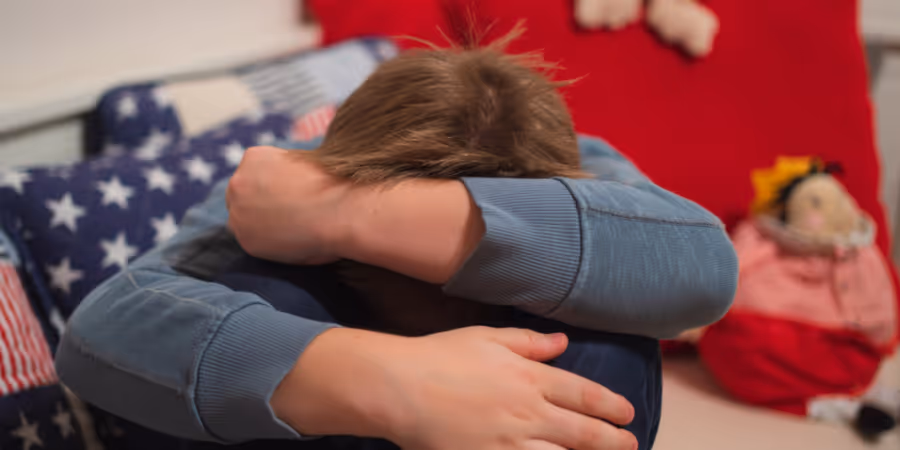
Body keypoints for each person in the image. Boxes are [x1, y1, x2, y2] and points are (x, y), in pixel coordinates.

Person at [55, 44, 738, 450]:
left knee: (613, 331)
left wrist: (339, 212)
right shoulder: (281, 176)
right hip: (327, 409)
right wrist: (393, 381)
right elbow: (101, 332)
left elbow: (704, 270)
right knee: (257, 288)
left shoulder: (586, 164)